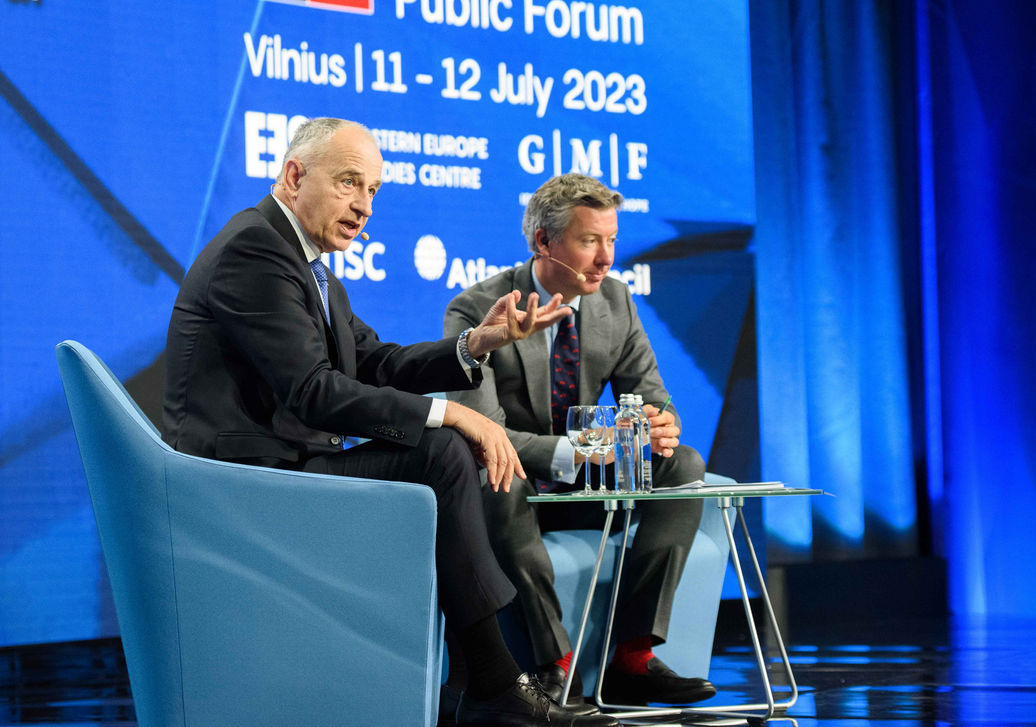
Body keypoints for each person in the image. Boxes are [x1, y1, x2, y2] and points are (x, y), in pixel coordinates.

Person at [162, 119, 619, 727]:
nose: (364, 206)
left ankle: (477, 680)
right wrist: (455, 413)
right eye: (351, 183)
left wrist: (475, 345)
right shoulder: (256, 252)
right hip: (247, 479)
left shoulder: (308, 265)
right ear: (295, 175)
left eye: (374, 191)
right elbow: (312, 392)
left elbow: (375, 362)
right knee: (439, 451)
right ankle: (491, 682)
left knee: (440, 452)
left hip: (284, 466)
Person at [443, 173, 718, 709]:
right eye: (590, 241)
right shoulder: (477, 310)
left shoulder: (616, 301)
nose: (606, 258)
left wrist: (660, 426)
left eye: (611, 240)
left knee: (683, 463)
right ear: (544, 242)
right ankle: (553, 667)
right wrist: (582, 451)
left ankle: (633, 659)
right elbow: (486, 436)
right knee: (498, 475)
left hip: (586, 478)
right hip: (514, 486)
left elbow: (654, 398)